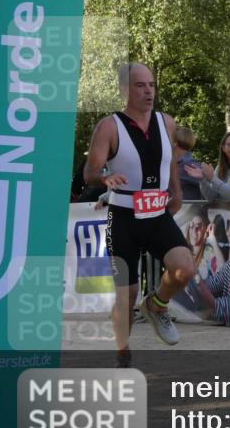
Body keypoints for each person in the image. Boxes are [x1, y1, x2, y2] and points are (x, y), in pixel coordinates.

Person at [84, 62, 196, 363]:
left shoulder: (166, 122)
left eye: (151, 85)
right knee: (127, 296)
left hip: (157, 214)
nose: (148, 91)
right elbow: (90, 171)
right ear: (124, 90)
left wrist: (177, 191)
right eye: (139, 85)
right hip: (123, 219)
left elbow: (169, 159)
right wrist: (104, 178)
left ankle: (157, 305)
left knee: (185, 268)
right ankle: (122, 352)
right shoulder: (109, 126)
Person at [184, 131, 230, 202]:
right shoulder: (220, 167)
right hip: (222, 211)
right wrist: (202, 179)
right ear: (223, 148)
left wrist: (212, 178)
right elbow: (211, 197)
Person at [173, 125, 203, 201]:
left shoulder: (188, 165)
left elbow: (213, 188)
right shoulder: (170, 162)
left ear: (174, 142)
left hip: (189, 211)